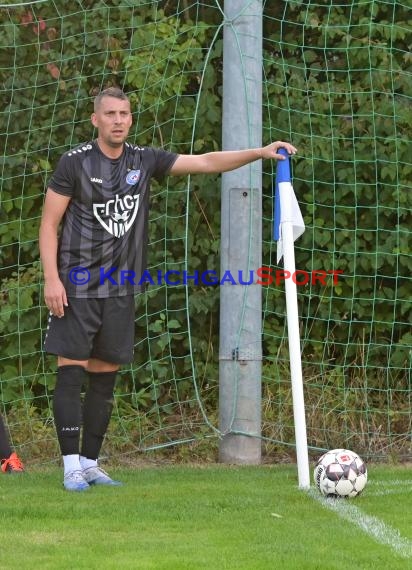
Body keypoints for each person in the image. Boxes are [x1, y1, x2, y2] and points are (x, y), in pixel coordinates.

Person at [39, 87, 297, 491]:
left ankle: (91, 463)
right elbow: (49, 224)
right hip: (77, 286)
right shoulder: (74, 163)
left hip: (122, 289)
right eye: (110, 114)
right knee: (72, 374)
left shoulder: (144, 160)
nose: (118, 120)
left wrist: (260, 152)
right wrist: (52, 279)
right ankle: (70, 465)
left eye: (124, 113)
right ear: (96, 120)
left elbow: (207, 162)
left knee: (105, 379)